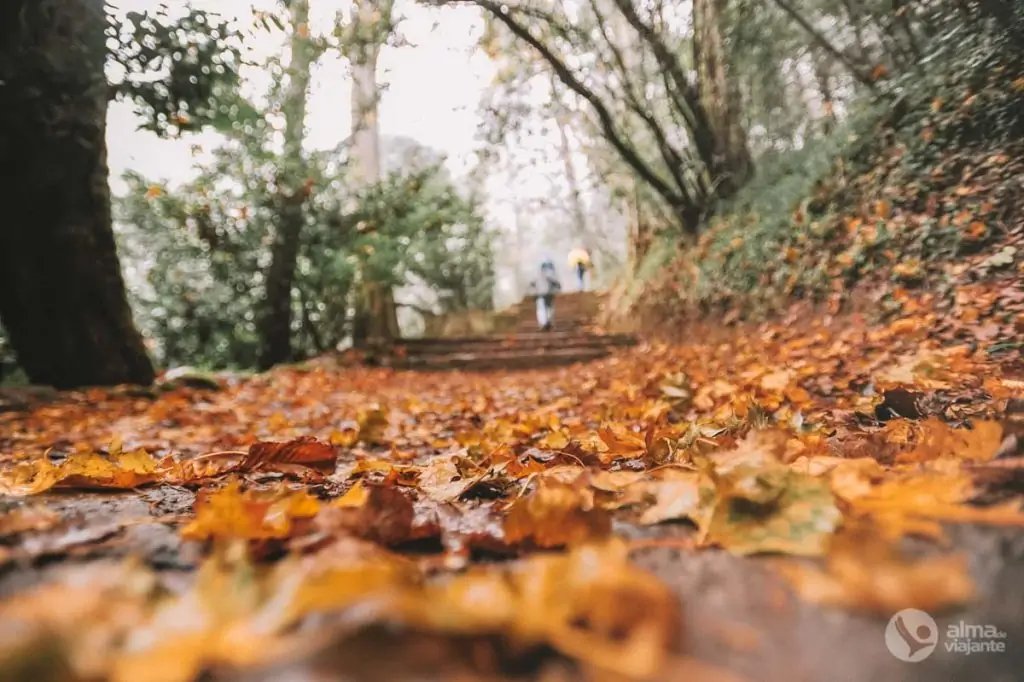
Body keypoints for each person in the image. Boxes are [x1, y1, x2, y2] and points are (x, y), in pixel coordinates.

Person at [528, 259, 562, 331]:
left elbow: (531, 284)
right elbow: (557, 284)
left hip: (542, 294)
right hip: (547, 294)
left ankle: (544, 323)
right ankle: (547, 322)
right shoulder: (551, 274)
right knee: (547, 308)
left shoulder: (538, 275)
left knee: (542, 309)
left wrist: (533, 291)